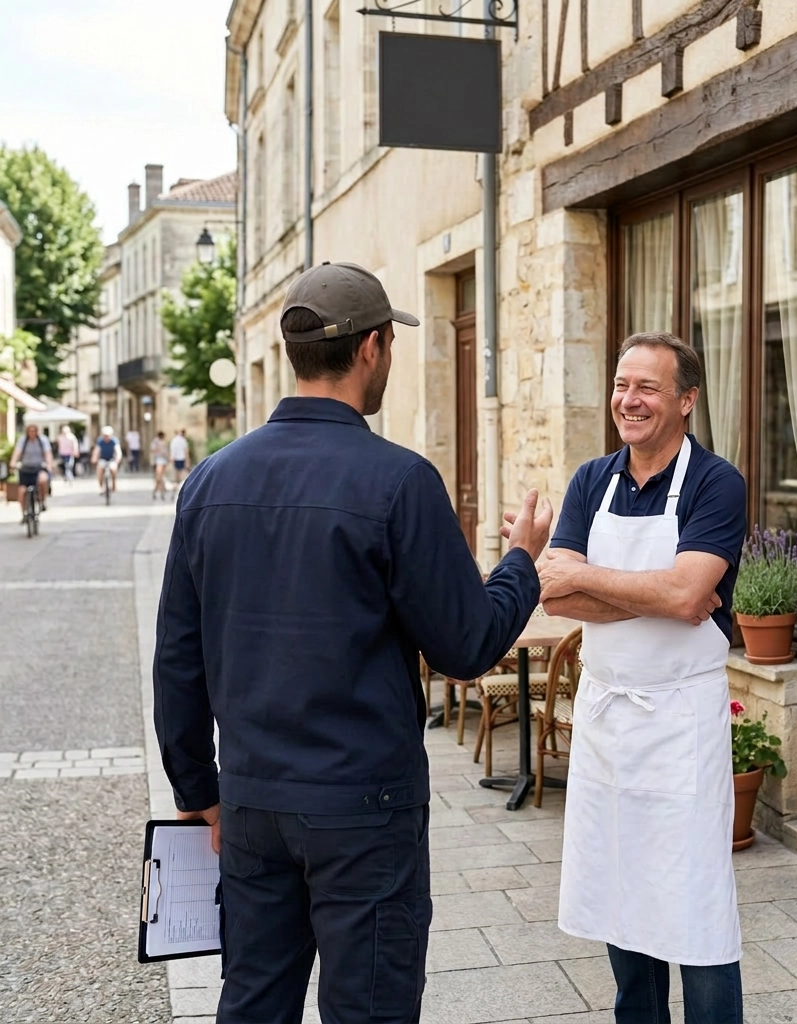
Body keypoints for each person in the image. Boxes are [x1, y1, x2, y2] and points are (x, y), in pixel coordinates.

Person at [154, 261, 552, 1024]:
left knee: (252, 1007)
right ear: (372, 349)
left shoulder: (209, 481)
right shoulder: (400, 482)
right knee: (368, 1009)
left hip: (253, 799)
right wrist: (521, 565)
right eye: (390, 346)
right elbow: (467, 646)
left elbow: (177, 658)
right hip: (363, 808)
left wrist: (197, 790)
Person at [539, 332, 747, 1024]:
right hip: (607, 723)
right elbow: (555, 597)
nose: (629, 400)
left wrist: (591, 579)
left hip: (680, 724)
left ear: (687, 400)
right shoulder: (591, 480)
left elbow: (690, 598)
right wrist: (656, 594)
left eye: (648, 388)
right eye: (623, 385)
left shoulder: (717, 484)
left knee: (696, 908)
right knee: (618, 896)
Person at [12, 423, 54, 520]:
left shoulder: (42, 440)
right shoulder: (23, 440)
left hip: (39, 468)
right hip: (25, 469)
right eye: (30, 431)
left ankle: (42, 501)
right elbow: (17, 451)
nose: (32, 433)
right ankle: (24, 513)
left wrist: (49, 464)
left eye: (34, 431)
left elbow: (48, 453)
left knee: (43, 480)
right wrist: (13, 462)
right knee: (22, 491)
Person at [91, 425, 122, 494]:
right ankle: (101, 486)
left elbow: (118, 451)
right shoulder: (100, 441)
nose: (106, 437)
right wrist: (94, 458)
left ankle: (114, 484)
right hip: (103, 458)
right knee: (99, 470)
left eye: (108, 436)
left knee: (113, 469)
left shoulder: (114, 441)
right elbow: (96, 450)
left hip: (112, 459)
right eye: (105, 435)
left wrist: (118, 459)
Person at [151, 431, 169, 500]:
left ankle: (161, 492)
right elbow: (153, 450)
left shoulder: (163, 442)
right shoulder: (155, 442)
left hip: (163, 460)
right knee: (159, 477)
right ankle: (157, 491)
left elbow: (166, 451)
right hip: (158, 460)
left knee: (161, 477)